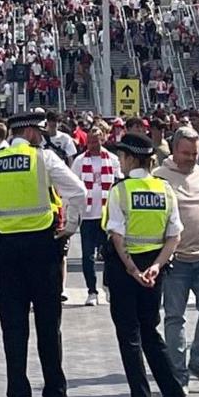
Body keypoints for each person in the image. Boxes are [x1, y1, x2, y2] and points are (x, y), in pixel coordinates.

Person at [0, 109, 84, 397]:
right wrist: (68, 228)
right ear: (29, 133)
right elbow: (77, 192)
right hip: (43, 250)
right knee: (48, 327)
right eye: (39, 132)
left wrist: (4, 216)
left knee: (13, 330)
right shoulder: (44, 159)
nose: (43, 137)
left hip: (7, 253)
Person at [103, 132, 192, 397]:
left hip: (125, 268)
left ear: (130, 158)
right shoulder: (165, 189)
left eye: (122, 157)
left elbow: (116, 235)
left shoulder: (121, 190)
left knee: (129, 336)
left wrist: (132, 269)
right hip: (156, 268)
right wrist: (156, 266)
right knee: (151, 332)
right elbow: (174, 236)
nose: (120, 162)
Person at [157, 127, 199, 393]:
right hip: (175, 261)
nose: (189, 158)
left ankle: (198, 361)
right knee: (175, 318)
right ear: (174, 150)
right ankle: (178, 377)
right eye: (185, 153)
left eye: (194, 154)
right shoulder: (160, 177)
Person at [74, 125, 121, 306]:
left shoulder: (113, 160)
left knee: (110, 255)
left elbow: (118, 183)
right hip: (87, 215)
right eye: (90, 141)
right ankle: (91, 291)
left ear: (103, 140)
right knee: (87, 255)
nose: (93, 145)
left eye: (96, 141)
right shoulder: (79, 161)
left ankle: (107, 285)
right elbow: (74, 184)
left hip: (107, 215)